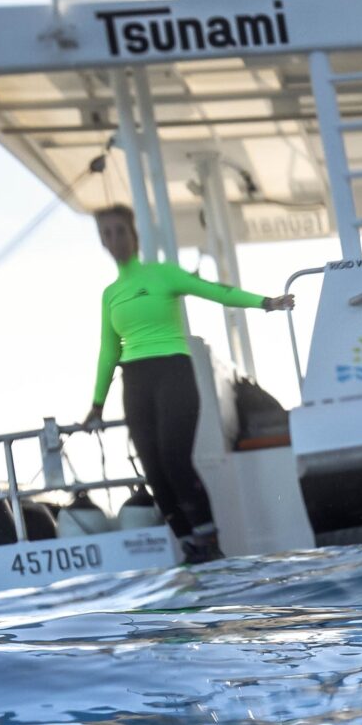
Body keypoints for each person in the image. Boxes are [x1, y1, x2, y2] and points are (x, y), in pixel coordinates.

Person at [81, 205, 292, 554]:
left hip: (174, 372)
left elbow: (215, 291)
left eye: (119, 230)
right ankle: (189, 547)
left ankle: (211, 544)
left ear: (133, 235)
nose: (114, 238)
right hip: (135, 381)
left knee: (174, 457)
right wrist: (96, 405)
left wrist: (266, 302)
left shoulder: (163, 274)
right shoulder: (110, 294)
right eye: (107, 233)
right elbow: (108, 350)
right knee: (153, 467)